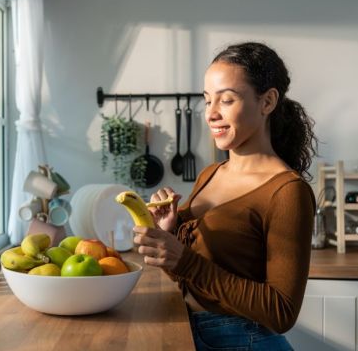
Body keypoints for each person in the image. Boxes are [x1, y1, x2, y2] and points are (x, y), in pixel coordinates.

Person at [133, 42, 317, 351]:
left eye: (227, 100)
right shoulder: (211, 173)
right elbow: (194, 279)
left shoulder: (288, 192)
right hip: (192, 332)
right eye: (207, 101)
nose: (211, 114)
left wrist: (183, 259)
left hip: (245, 341)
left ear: (268, 101)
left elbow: (282, 312)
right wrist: (167, 239)